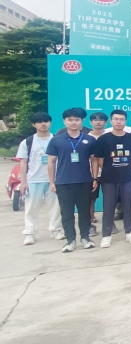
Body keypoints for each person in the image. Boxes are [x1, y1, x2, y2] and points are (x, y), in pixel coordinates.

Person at [46, 107, 97, 252]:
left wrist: (94, 178)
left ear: (82, 121)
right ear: (64, 121)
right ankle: (70, 240)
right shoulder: (56, 140)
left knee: (84, 212)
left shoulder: (89, 139)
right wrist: (52, 182)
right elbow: (51, 162)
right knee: (67, 212)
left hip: (84, 181)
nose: (73, 122)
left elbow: (94, 160)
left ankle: (85, 238)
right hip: (64, 182)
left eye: (77, 119)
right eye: (70, 120)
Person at [93, 109, 131, 247]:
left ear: (125, 121)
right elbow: (99, 158)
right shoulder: (103, 139)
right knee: (108, 207)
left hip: (127, 177)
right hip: (109, 178)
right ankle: (106, 235)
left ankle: (129, 232)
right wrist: (109, 168)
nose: (119, 122)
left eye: (121, 119)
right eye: (116, 119)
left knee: (128, 205)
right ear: (111, 121)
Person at [18, 112, 62, 245]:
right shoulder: (27, 142)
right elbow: (23, 162)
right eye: (39, 122)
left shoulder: (57, 140)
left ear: (50, 123)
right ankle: (30, 233)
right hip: (33, 180)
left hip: (54, 180)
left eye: (46, 121)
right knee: (31, 208)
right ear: (34, 124)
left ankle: (56, 230)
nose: (43, 124)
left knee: (55, 207)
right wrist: (23, 182)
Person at [87, 111, 107, 236]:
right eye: (95, 120)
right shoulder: (86, 138)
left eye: (101, 120)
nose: (98, 122)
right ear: (91, 122)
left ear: (106, 122)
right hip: (90, 174)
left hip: (109, 173)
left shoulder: (110, 136)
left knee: (110, 200)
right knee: (90, 200)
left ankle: (109, 223)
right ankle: (90, 224)